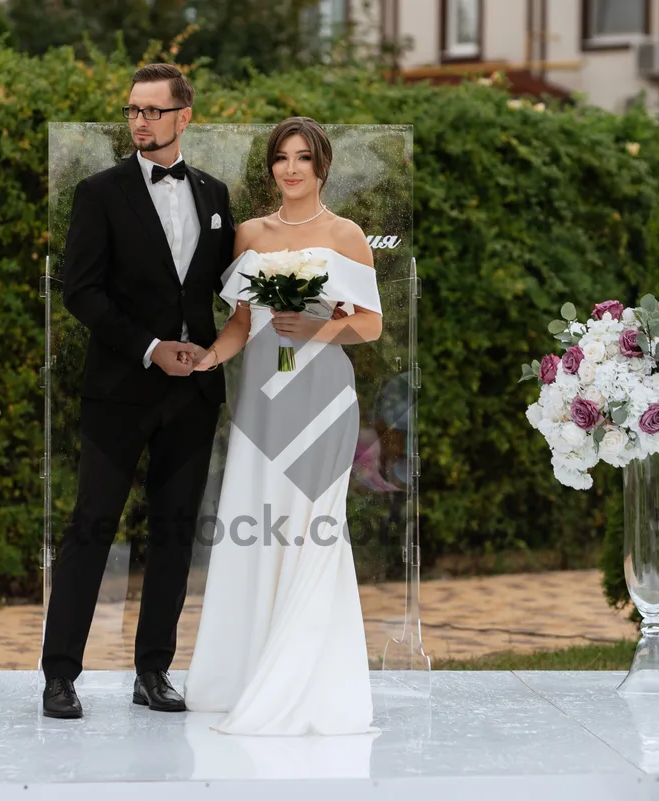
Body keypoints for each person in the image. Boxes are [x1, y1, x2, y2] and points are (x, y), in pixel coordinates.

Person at [40, 64, 237, 719]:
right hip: (120, 389)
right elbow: (81, 291)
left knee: (174, 532)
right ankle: (60, 675)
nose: (140, 122)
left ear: (185, 116)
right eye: (133, 110)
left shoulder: (215, 194)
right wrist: (152, 348)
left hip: (194, 395)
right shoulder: (100, 193)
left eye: (154, 111)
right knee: (91, 526)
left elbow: (222, 289)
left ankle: (153, 669)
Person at [182, 117, 383, 735]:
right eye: (280, 158)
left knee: (312, 529)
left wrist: (315, 329)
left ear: (322, 166)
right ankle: (246, 669)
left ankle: (310, 678)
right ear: (271, 167)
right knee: (259, 524)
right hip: (262, 401)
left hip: (323, 398)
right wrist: (210, 356)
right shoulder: (250, 234)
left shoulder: (345, 235)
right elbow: (243, 323)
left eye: (302, 158)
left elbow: (370, 325)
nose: (290, 168)